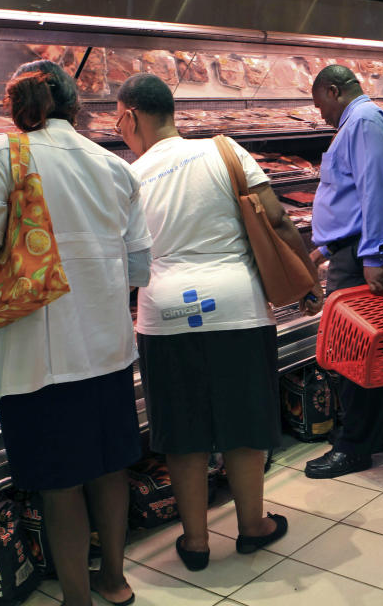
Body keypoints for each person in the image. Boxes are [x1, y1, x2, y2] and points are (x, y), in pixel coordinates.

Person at [0, 60, 152, 606]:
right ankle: (114, 580)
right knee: (109, 468)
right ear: (75, 106)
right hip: (107, 346)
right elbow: (139, 267)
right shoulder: (112, 165)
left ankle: (76, 600)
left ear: (15, 106)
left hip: (35, 355)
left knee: (60, 483)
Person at [116, 74, 323, 570]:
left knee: (183, 429)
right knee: (245, 419)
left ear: (131, 117)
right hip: (237, 305)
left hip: (164, 315)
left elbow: (124, 258)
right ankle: (252, 525)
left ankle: (196, 542)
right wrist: (307, 281)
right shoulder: (224, 151)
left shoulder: (127, 175)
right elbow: (275, 219)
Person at [304, 64, 383, 479]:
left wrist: (372, 256)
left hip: (365, 250)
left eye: (319, 105)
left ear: (333, 91)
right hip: (354, 247)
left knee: (354, 350)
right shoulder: (362, 121)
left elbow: (375, 190)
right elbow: (350, 197)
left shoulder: (362, 121)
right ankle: (373, 432)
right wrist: (323, 250)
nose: (320, 115)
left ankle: (354, 447)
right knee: (373, 347)